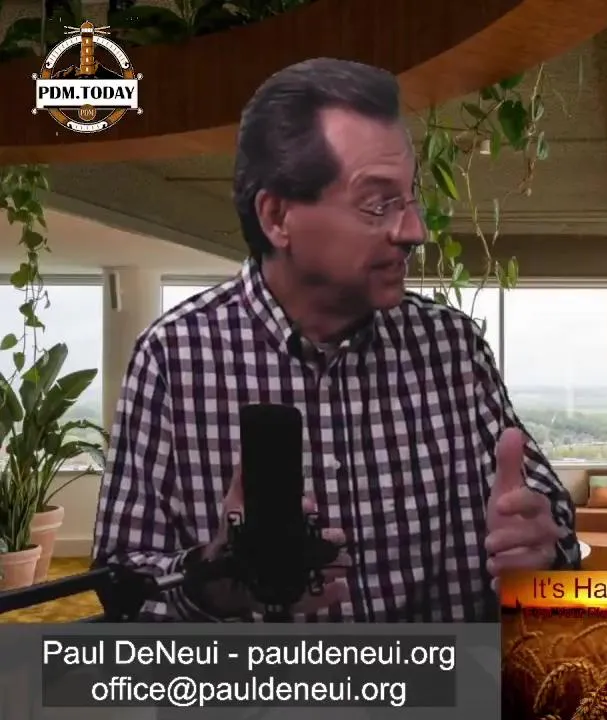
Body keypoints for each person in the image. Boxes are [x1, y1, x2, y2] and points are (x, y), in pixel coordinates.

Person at [92, 58, 580, 622]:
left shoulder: (452, 348)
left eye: (410, 197)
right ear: (278, 217)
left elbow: (546, 517)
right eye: (378, 203)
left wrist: (541, 544)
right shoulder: (173, 358)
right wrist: (211, 583)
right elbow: (122, 583)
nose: (415, 230)